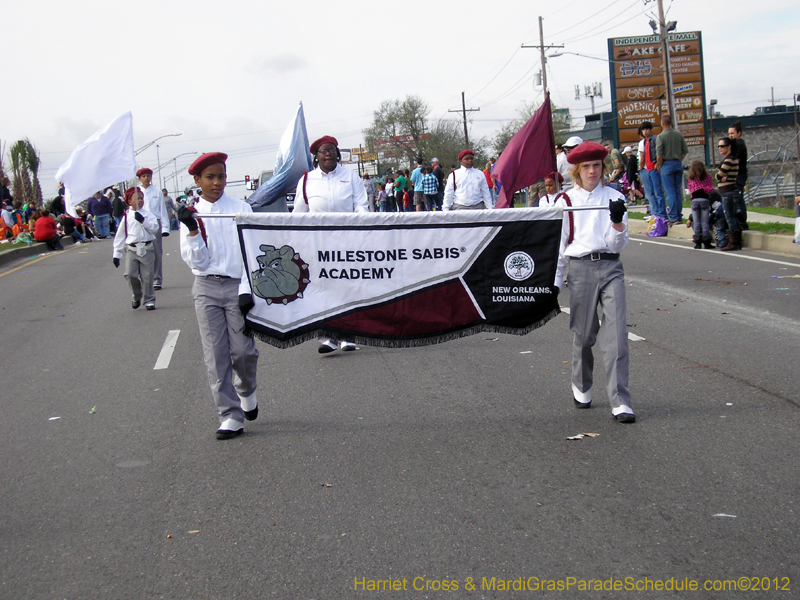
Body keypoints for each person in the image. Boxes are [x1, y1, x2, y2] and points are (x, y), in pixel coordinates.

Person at [178, 152, 260, 441]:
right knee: (216, 355)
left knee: (243, 351)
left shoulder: (240, 208)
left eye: (221, 176)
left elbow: (251, 251)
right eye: (210, 177)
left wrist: (247, 288)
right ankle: (229, 414)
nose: (216, 183)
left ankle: (246, 389)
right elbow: (197, 263)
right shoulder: (192, 214)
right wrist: (192, 230)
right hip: (206, 288)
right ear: (197, 180)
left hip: (238, 285)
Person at [554, 141, 634, 424]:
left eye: (596, 165)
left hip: (611, 267)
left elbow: (618, 244)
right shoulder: (565, 201)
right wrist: (555, 282)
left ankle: (620, 401)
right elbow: (560, 245)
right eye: (586, 166)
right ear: (577, 170)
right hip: (580, 268)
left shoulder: (614, 197)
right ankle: (582, 384)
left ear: (603, 167)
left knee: (617, 336)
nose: (592, 171)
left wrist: (617, 222)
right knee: (584, 333)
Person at [294, 135, 369, 354]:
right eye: (323, 151)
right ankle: (328, 337)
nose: (328, 154)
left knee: (347, 287)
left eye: (332, 150)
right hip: (318, 244)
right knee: (323, 289)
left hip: (347, 241)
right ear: (316, 156)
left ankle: (348, 336)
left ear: (337, 153)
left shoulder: (350, 176)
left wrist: (362, 227)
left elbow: (361, 205)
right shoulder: (306, 180)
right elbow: (299, 213)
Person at [112, 187, 159, 310]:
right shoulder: (127, 216)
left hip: (147, 248)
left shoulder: (148, 214)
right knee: (130, 274)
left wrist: (143, 221)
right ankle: (136, 295)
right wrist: (117, 254)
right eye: (137, 199)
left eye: (141, 198)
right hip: (132, 249)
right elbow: (120, 235)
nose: (140, 201)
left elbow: (154, 229)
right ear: (129, 201)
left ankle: (149, 300)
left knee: (147, 276)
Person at [137, 167, 170, 290]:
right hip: (140, 223)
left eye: (148, 176)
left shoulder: (157, 192)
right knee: (141, 252)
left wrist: (165, 228)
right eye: (144, 176)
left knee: (156, 252)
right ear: (139, 179)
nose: (146, 178)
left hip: (154, 223)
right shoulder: (136, 192)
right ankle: (145, 279)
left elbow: (162, 210)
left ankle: (157, 279)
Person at [656, 114, 689, 225]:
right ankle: (679, 216)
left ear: (662, 123)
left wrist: (659, 166)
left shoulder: (661, 136)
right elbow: (685, 151)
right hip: (678, 163)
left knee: (670, 192)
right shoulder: (678, 134)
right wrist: (678, 159)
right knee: (677, 191)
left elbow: (659, 155)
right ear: (671, 123)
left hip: (666, 165)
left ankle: (674, 217)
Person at [715, 137, 741, 251]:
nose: (720, 148)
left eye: (722, 146)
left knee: (730, 217)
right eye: (718, 146)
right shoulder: (732, 159)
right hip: (730, 191)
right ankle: (737, 241)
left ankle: (733, 242)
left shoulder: (729, 160)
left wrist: (720, 177)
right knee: (732, 216)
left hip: (728, 192)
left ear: (729, 146)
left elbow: (718, 176)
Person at [686, 160, 714, 249]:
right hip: (704, 199)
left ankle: (698, 242)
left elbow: (690, 189)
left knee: (696, 222)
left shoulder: (691, 178)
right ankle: (706, 242)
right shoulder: (707, 177)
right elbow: (710, 188)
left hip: (694, 200)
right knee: (705, 222)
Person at [640, 122, 665, 219]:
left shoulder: (655, 139)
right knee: (651, 193)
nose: (645, 131)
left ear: (650, 129)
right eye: (643, 129)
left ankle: (662, 213)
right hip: (648, 169)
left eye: (647, 129)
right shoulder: (644, 142)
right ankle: (656, 212)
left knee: (658, 192)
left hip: (654, 169)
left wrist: (657, 164)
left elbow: (659, 152)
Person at [728, 121, 748, 229]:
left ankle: (742, 223)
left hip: (739, 175)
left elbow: (736, 161)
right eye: (729, 133)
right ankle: (739, 222)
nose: (730, 136)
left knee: (738, 199)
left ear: (739, 133)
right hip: (737, 175)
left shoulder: (739, 145)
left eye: (732, 133)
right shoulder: (736, 145)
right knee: (736, 199)